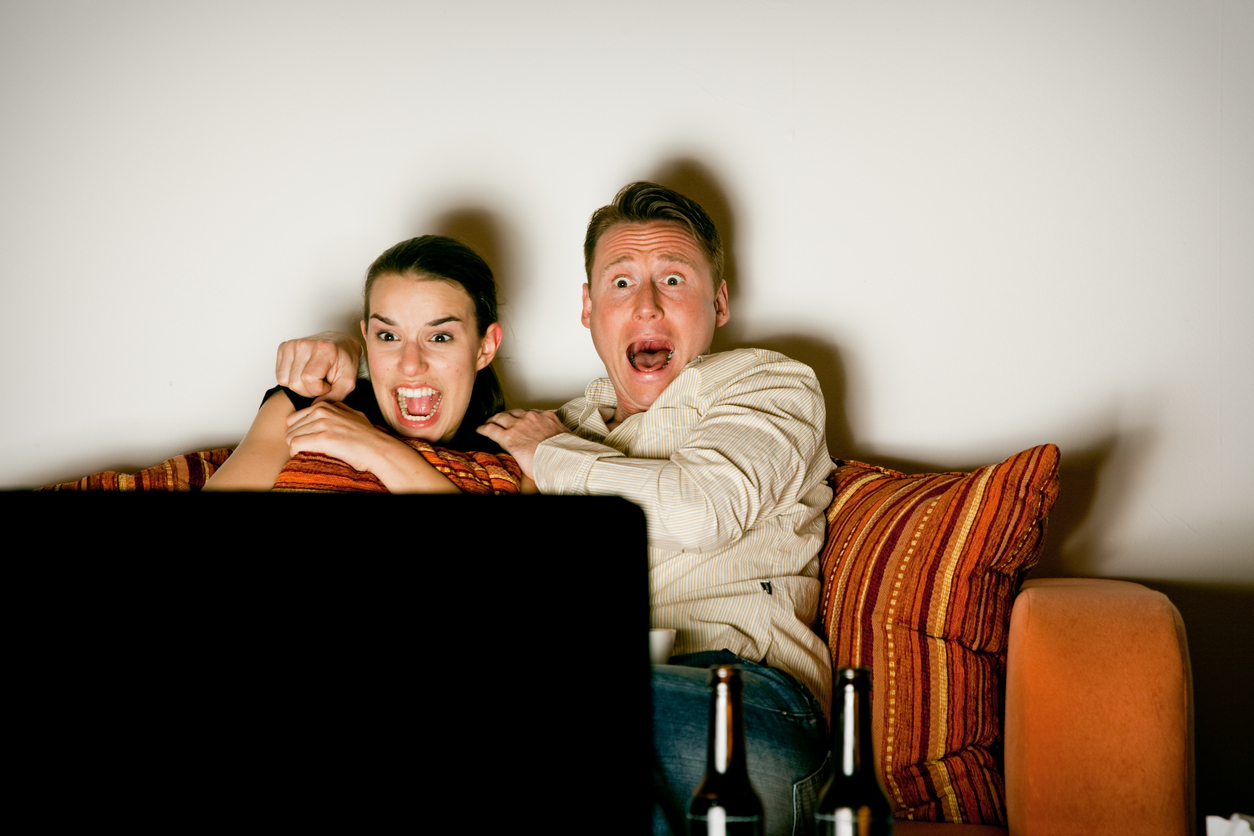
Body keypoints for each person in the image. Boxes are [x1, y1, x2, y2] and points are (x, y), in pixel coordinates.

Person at [275, 184, 834, 835]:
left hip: (749, 711)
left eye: (673, 279)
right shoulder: (543, 433)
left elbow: (703, 510)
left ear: (719, 302)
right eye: (621, 282)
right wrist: (341, 360)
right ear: (588, 308)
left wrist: (556, 457)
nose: (647, 303)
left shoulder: (766, 384)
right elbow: (428, 404)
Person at [206, 235, 530, 494]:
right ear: (366, 336)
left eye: (440, 337)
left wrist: (375, 448)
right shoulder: (303, 405)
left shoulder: (517, 452)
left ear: (485, 347)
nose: (410, 366)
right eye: (388, 336)